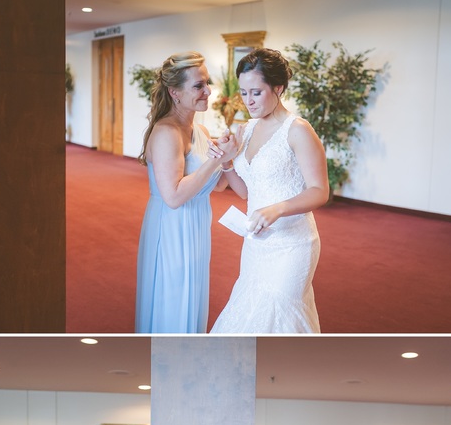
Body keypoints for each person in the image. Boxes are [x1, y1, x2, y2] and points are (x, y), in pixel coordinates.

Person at [209, 48, 330, 333]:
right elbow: (245, 192)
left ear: (278, 88)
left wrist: (278, 208)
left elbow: (319, 190)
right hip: (256, 240)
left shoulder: (298, 130)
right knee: (250, 308)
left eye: (256, 93)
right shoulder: (247, 129)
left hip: (292, 244)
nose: (248, 101)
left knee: (280, 313)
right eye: (244, 93)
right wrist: (227, 161)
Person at [135, 51, 240, 333]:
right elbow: (174, 197)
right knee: (172, 298)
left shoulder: (201, 130)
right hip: (171, 226)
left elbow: (214, 186)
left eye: (207, 83)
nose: (208, 91)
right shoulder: (167, 132)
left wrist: (227, 157)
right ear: (175, 92)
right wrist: (216, 160)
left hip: (195, 223)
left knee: (191, 296)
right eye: (198, 86)